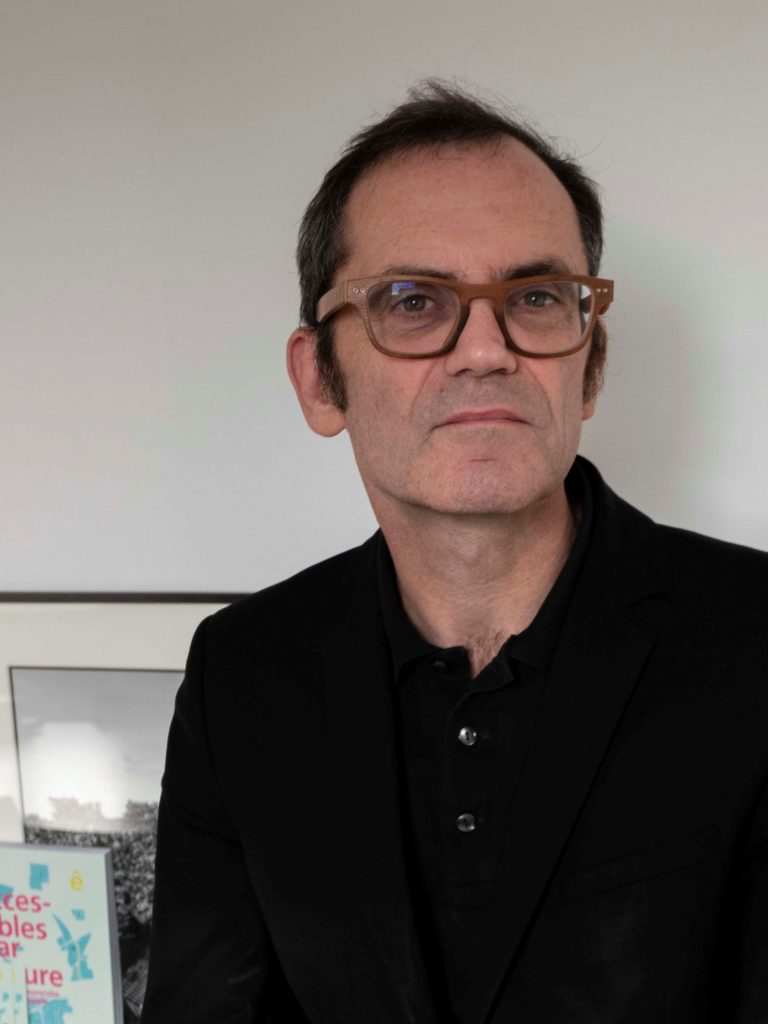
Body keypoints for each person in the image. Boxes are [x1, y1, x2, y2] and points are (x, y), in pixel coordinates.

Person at [141, 81, 768, 1023]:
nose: (485, 351)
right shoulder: (242, 674)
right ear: (319, 381)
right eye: (412, 301)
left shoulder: (756, 640)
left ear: (591, 365)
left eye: (536, 297)